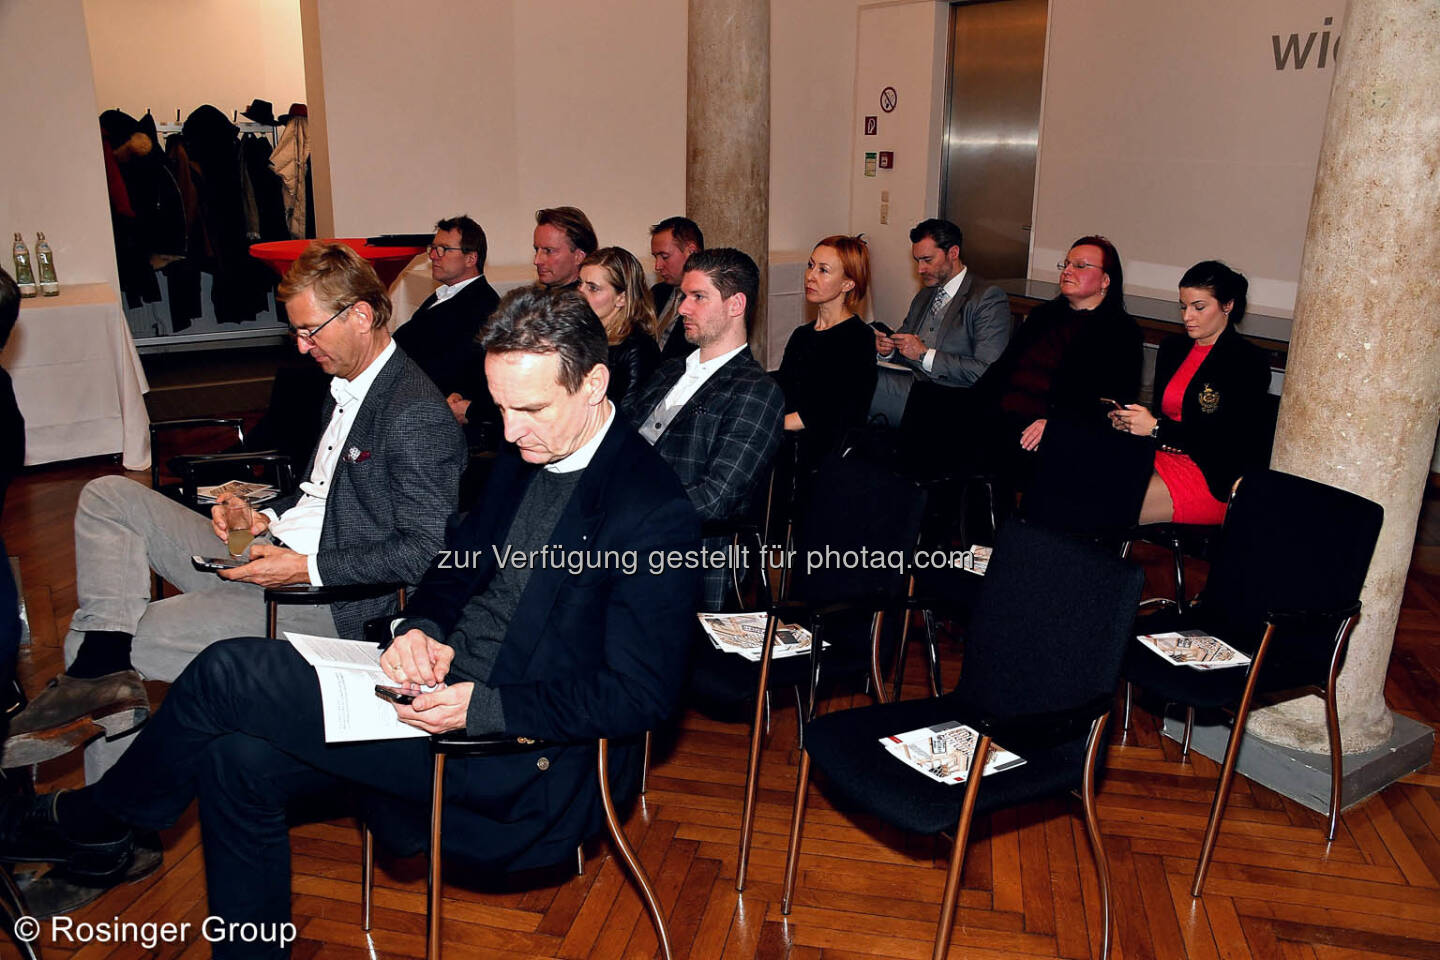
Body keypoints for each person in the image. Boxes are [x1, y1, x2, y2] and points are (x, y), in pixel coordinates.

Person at [0, 288, 701, 957]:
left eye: (530, 408)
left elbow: (640, 695)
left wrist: (480, 707)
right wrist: (420, 626)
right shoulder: (534, 447)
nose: (510, 429)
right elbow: (458, 563)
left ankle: (94, 823)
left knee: (227, 670)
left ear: (594, 383)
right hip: (435, 695)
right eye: (500, 406)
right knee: (231, 760)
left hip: (517, 755)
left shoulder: (650, 512)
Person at [1, 243, 467, 774]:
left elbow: (425, 551)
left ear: (361, 315)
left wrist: (302, 567)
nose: (302, 346)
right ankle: (105, 669)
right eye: (296, 331)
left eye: (310, 330)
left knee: (99, 644)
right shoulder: (348, 383)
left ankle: (111, 806)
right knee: (108, 494)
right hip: (272, 552)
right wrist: (263, 516)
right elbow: (325, 493)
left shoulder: (413, 413)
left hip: (326, 600)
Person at [625, 248, 785, 610]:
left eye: (698, 297)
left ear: (735, 304)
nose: (683, 308)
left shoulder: (755, 391)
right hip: (628, 534)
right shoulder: (668, 371)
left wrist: (629, 510)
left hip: (683, 554)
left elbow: (716, 497)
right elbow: (621, 443)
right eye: (684, 296)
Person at [973, 235, 1143, 487]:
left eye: (1080, 266)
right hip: (1007, 415)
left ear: (1105, 280)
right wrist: (973, 405)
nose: (1068, 271)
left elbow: (1113, 402)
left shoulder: (1121, 332)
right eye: (1066, 264)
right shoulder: (1042, 315)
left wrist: (1058, 425)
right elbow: (1002, 369)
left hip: (1061, 429)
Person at [1109, 261, 1270, 524]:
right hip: (1161, 456)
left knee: (1112, 503)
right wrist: (1133, 422)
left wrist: (1155, 428)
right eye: (1183, 307)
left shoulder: (1247, 361)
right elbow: (1165, 417)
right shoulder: (1173, 348)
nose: (1187, 317)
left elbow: (1226, 441)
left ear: (1227, 305)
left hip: (1211, 474)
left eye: (1199, 307)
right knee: (1089, 481)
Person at [872, 219, 1011, 432]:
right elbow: (905, 346)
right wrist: (888, 351)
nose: (920, 269)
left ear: (953, 253)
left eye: (927, 260)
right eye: (917, 261)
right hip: (914, 391)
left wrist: (924, 355)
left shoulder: (987, 298)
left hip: (953, 400)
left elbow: (987, 371)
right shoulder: (924, 295)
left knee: (858, 386)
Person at [774, 235, 878, 466]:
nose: (810, 276)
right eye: (810, 265)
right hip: (791, 444)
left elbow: (825, 412)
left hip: (827, 458)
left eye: (823, 270)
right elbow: (782, 391)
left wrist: (768, 424)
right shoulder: (802, 334)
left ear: (848, 284)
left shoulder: (858, 338)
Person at [393, 214, 499, 399]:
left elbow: (450, 369)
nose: (433, 256)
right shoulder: (448, 294)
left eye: (444, 249)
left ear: (470, 259)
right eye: (433, 248)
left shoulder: (481, 306)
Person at [578, 246, 661, 408]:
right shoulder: (582, 335)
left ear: (621, 298)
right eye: (580, 284)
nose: (580, 293)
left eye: (593, 288)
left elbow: (631, 414)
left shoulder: (639, 349)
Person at [649, 216, 705, 360]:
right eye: (655, 257)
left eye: (664, 256)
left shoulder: (706, 301)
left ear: (691, 252)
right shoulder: (657, 293)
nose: (657, 266)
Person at [532, 206, 597, 290]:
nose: (536, 261)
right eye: (536, 250)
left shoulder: (585, 298)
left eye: (548, 251)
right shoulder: (534, 294)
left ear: (578, 257)